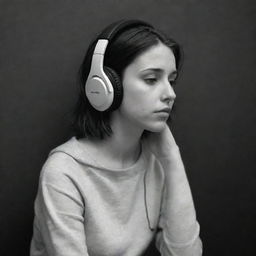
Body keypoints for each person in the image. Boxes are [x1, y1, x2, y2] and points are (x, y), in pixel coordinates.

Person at [30, 20, 203, 256]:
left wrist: (172, 159)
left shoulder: (157, 162)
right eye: (151, 79)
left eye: (171, 81)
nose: (170, 94)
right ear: (105, 86)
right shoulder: (63, 172)